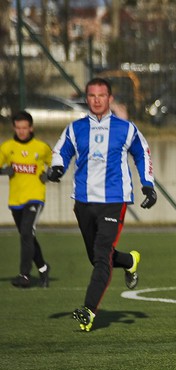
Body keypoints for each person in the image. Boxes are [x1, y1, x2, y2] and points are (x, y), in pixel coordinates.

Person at [49, 77, 157, 332]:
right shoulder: (75, 129)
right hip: (84, 202)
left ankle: (88, 311)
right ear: (87, 99)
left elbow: (142, 152)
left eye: (102, 96)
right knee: (98, 257)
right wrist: (57, 168)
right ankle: (129, 261)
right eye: (92, 96)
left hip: (113, 201)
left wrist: (148, 184)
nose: (97, 100)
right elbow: (60, 152)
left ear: (110, 98)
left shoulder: (125, 129)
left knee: (100, 257)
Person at [0, 110, 52, 288]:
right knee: (26, 235)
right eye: (18, 128)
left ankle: (24, 275)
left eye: (25, 128)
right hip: (16, 200)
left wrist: (49, 175)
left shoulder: (41, 147)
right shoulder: (7, 148)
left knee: (27, 232)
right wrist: (3, 171)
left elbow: (56, 165)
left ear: (31, 128)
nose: (21, 131)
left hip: (35, 197)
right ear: (14, 128)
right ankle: (44, 268)